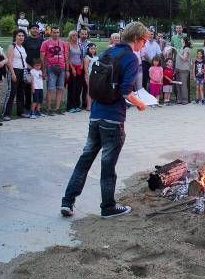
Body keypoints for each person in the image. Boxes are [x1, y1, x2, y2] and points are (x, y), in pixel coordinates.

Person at [60, 21, 148, 218]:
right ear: (135, 39)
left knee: (85, 160)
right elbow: (126, 92)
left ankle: (67, 201)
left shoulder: (106, 52)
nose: (143, 45)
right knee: (108, 165)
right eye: (143, 41)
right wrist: (141, 104)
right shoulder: (131, 58)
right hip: (113, 119)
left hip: (96, 115)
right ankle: (108, 206)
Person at [40, 26, 67, 115]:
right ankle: (49, 108)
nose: (56, 34)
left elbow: (66, 56)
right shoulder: (45, 43)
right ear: (51, 33)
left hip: (61, 67)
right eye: (54, 32)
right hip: (50, 67)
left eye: (57, 32)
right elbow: (42, 58)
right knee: (50, 88)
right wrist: (43, 70)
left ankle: (57, 108)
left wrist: (67, 69)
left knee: (60, 88)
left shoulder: (63, 43)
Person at [3, 29, 29, 120]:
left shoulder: (22, 47)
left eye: (22, 36)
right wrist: (12, 73)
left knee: (21, 92)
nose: (21, 37)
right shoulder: (12, 46)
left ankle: (20, 111)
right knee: (11, 92)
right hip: (14, 70)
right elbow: (9, 60)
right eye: (19, 35)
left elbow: (23, 60)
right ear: (15, 36)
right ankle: (6, 113)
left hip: (22, 70)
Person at [22, 23, 43, 113]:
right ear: (30, 30)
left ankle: (37, 109)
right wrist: (28, 66)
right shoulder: (26, 40)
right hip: (27, 67)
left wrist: (41, 67)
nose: (35, 30)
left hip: (38, 68)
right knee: (27, 88)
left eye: (36, 28)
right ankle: (27, 107)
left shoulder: (41, 40)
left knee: (37, 88)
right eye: (33, 28)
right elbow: (22, 54)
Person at [65, 30, 85, 113]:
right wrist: (72, 68)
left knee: (78, 87)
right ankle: (70, 106)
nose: (75, 37)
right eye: (73, 35)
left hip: (79, 67)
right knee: (72, 87)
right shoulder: (68, 45)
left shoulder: (80, 45)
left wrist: (82, 65)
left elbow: (82, 57)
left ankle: (77, 104)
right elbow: (68, 58)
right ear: (70, 36)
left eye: (76, 35)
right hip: (72, 67)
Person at [77, 29, 91, 109]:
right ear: (79, 34)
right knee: (78, 85)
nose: (84, 36)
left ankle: (85, 103)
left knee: (86, 86)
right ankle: (77, 103)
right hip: (78, 66)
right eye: (82, 34)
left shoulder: (89, 43)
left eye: (85, 34)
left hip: (87, 67)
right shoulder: (76, 42)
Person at [175, 38, 191, 104]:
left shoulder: (186, 49)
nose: (180, 41)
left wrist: (178, 52)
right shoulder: (181, 48)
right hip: (178, 69)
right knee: (178, 85)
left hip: (184, 69)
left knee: (183, 85)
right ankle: (179, 99)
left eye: (181, 40)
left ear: (184, 41)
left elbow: (184, 58)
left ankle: (185, 100)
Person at [84, 42, 98, 111]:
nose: (93, 50)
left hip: (96, 76)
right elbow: (86, 68)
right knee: (89, 91)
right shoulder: (87, 57)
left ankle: (93, 105)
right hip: (89, 75)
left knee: (94, 91)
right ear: (88, 49)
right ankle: (88, 106)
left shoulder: (96, 57)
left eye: (94, 48)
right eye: (91, 48)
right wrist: (87, 77)